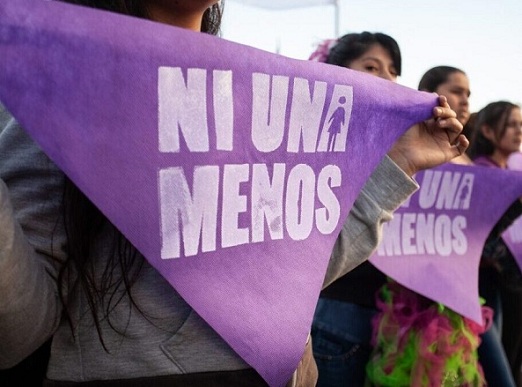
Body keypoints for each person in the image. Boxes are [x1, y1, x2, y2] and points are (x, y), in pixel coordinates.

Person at [0, 5, 466, 386]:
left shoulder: (262, 96)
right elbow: (21, 330)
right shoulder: (64, 84)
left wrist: (401, 162)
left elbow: (290, 278)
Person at [308, 32, 406, 387]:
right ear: (337, 71)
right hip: (338, 308)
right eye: (371, 67)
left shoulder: (398, 142)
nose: (387, 79)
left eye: (393, 71)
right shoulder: (320, 141)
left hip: (382, 314)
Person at [468, 101, 522, 386]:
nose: (519, 131)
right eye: (511, 124)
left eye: (520, 124)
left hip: (504, 291)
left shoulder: (509, 174)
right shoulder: (479, 173)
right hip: (481, 288)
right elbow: (480, 239)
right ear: (487, 131)